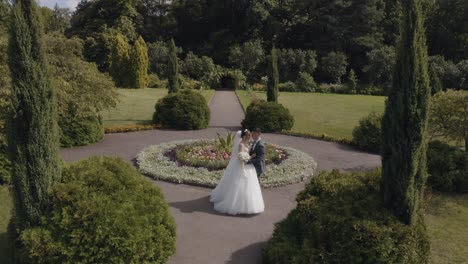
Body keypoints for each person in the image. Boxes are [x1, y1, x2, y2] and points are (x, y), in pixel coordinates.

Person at [210, 130, 264, 215]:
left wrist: (249, 157)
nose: (250, 137)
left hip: (248, 166)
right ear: (244, 137)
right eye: (248, 136)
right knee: (239, 184)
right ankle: (237, 204)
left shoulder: (246, 144)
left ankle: (247, 203)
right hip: (242, 165)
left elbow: (246, 154)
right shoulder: (241, 144)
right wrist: (248, 158)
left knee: (249, 185)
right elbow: (241, 157)